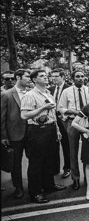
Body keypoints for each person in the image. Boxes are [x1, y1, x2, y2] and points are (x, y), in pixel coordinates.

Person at [21, 69, 66, 203]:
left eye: (46, 76)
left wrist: (57, 130)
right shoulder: (30, 95)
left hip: (50, 129)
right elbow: (24, 115)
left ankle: (49, 185)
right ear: (34, 80)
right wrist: (43, 108)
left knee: (49, 159)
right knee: (36, 162)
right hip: (37, 131)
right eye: (42, 76)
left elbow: (52, 115)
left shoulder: (48, 93)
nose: (46, 78)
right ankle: (35, 192)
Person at [58, 70, 89, 190]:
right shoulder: (66, 91)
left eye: (82, 76)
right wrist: (73, 111)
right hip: (73, 123)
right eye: (77, 76)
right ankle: (75, 178)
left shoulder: (88, 90)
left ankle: (88, 176)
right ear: (73, 78)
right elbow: (60, 108)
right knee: (73, 152)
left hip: (87, 123)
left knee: (88, 151)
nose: (80, 78)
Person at [1, 69, 31, 199]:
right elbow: (1, 117)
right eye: (27, 76)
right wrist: (3, 136)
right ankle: (18, 187)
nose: (29, 79)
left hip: (30, 133)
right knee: (16, 163)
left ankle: (34, 184)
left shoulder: (30, 93)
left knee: (34, 160)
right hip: (14, 134)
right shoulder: (7, 95)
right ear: (18, 78)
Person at [49, 68, 71, 179]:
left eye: (56, 76)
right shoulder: (50, 89)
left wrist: (65, 116)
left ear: (63, 77)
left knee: (66, 145)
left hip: (64, 119)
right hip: (53, 119)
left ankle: (67, 167)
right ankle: (54, 168)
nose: (53, 78)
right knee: (53, 145)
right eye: (52, 76)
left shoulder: (69, 89)